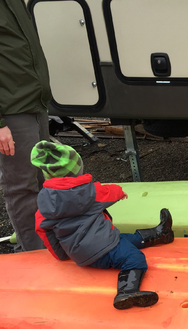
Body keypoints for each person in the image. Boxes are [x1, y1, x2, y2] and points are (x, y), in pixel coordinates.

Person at [31, 141, 175, 310]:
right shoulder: (90, 193)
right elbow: (110, 192)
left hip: (81, 253)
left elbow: (44, 231)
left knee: (126, 239)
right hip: (103, 249)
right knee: (134, 258)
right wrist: (121, 193)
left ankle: (161, 233)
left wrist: (62, 255)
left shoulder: (44, 208)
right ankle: (127, 291)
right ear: (78, 170)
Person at [0, 0, 53, 252]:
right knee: (22, 187)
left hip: (34, 102)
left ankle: (47, 245)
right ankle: (33, 253)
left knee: (43, 178)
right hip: (11, 110)